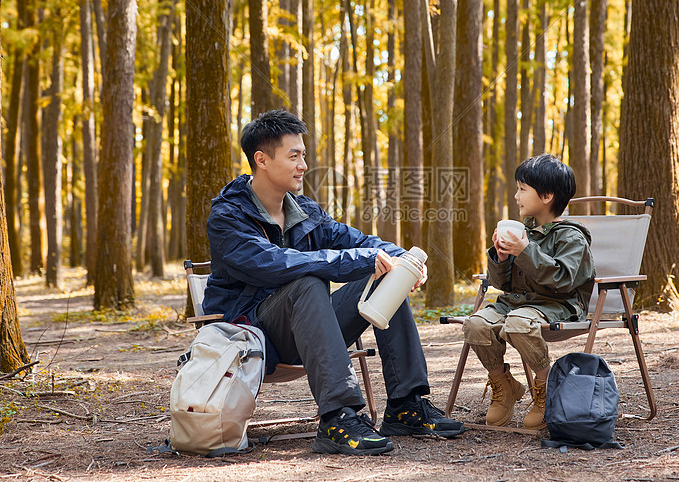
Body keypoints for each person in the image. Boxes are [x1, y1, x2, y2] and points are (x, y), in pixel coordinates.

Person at [203, 109, 464, 456]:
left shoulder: (305, 211)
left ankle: (405, 406)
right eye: (293, 156)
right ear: (262, 160)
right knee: (307, 281)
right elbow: (274, 265)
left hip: (311, 332)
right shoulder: (227, 216)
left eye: (303, 155)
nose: (303, 165)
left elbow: (354, 240)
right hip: (255, 334)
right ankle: (337, 417)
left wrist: (402, 260)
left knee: (386, 275)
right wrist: (357, 261)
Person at [462, 154, 595, 430]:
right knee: (475, 324)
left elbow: (562, 280)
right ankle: (504, 384)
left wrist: (525, 251)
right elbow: (505, 285)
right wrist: (500, 258)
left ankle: (547, 387)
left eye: (523, 189)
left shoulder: (572, 237)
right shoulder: (525, 232)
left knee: (518, 323)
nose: (516, 196)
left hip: (558, 305)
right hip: (518, 304)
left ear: (546, 196)